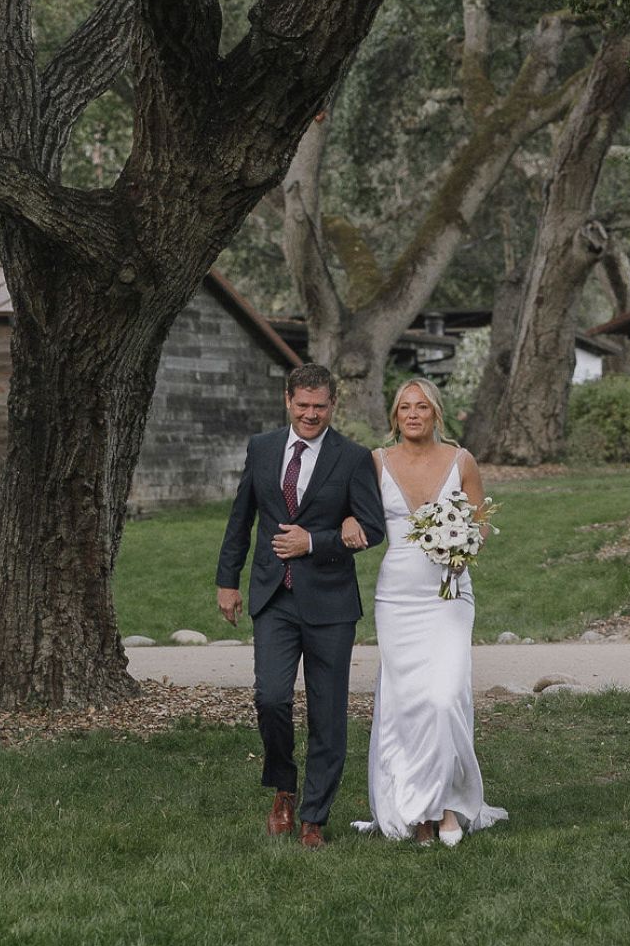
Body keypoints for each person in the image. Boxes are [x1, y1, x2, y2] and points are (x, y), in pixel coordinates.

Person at [215, 362, 386, 846]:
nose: (311, 414)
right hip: (274, 596)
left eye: (321, 406)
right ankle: (284, 787)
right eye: (303, 405)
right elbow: (241, 518)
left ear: (333, 405)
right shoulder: (263, 448)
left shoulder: (351, 458)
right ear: (288, 400)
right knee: (270, 698)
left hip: (330, 602)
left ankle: (314, 815)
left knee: (328, 712)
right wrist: (227, 580)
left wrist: (315, 542)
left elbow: (371, 528)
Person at [352, 375, 507, 846]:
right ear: (395, 417)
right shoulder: (376, 462)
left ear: (436, 412)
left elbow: (480, 523)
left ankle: (448, 804)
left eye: (421, 407)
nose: (413, 415)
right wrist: (344, 519)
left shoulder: (461, 461)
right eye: (404, 408)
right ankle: (420, 812)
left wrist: (462, 541)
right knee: (406, 705)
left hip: (449, 595)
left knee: (444, 699)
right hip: (396, 598)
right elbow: (353, 511)